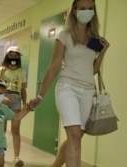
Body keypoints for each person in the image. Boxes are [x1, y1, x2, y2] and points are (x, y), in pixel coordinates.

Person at [28, 0, 109, 166]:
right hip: (68, 88)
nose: (86, 11)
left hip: (88, 91)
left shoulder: (95, 40)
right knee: (74, 138)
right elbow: (54, 67)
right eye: (83, 8)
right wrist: (40, 96)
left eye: (90, 8)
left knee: (76, 137)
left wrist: (103, 51)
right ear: (74, 10)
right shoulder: (64, 35)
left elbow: (92, 70)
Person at [0, 46, 27, 166]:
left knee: (15, 128)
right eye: (11, 55)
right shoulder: (2, 70)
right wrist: (2, 97)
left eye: (16, 55)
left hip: (16, 99)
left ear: (19, 57)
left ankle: (17, 157)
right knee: (2, 128)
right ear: (7, 56)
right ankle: (0, 152)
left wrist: (25, 103)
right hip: (3, 98)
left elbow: (23, 89)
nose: (13, 58)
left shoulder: (21, 72)